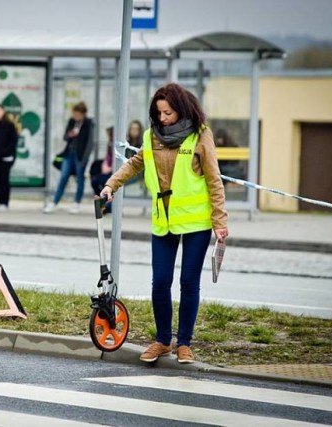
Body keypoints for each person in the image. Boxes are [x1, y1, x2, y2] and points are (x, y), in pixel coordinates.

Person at [101, 83, 228, 364]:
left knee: (188, 282)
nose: (162, 119)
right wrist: (111, 185)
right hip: (163, 220)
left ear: (181, 110)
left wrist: (220, 220)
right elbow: (135, 163)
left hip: (196, 221)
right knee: (160, 282)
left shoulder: (200, 136)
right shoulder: (152, 136)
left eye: (167, 113)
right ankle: (162, 340)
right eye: (158, 113)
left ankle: (184, 343)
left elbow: (214, 179)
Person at [44, 102, 93, 214]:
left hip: (80, 155)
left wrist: (84, 159)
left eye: (77, 114)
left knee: (80, 178)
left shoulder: (88, 123)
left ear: (83, 114)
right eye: (74, 114)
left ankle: (76, 203)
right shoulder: (72, 122)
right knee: (63, 176)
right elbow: (65, 136)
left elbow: (89, 143)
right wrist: (70, 135)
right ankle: (54, 202)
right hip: (69, 153)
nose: (75, 116)